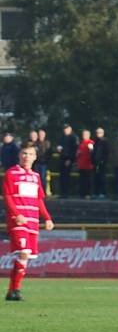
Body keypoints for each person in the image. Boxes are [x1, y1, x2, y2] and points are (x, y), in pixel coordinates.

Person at [3, 143, 54, 301]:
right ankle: (14, 290)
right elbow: (8, 196)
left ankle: (13, 291)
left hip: (32, 221)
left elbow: (39, 199)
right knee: (23, 252)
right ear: (19, 155)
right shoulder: (11, 173)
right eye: (24, 153)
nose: (26, 156)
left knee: (25, 258)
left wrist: (47, 218)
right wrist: (16, 214)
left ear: (35, 157)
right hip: (18, 221)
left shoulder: (36, 176)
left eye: (30, 154)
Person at [56, 124, 78, 198]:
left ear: (70, 129)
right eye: (64, 129)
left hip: (68, 159)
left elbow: (74, 149)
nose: (65, 130)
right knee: (62, 176)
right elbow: (59, 146)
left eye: (66, 129)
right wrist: (58, 149)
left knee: (66, 177)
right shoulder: (62, 137)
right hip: (62, 158)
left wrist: (70, 159)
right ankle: (62, 193)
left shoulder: (73, 138)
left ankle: (66, 193)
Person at [91, 127, 109, 198]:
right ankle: (96, 193)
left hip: (101, 163)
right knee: (96, 178)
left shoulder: (105, 141)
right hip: (95, 163)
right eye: (97, 132)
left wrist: (103, 161)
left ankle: (102, 193)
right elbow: (93, 153)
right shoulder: (95, 141)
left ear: (103, 133)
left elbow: (107, 153)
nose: (98, 134)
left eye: (100, 132)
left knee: (102, 178)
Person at [76, 129, 94, 199]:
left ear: (89, 135)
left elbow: (93, 153)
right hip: (81, 165)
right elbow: (78, 153)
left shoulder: (91, 143)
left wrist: (91, 150)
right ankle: (82, 194)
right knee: (81, 180)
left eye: (86, 134)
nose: (84, 136)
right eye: (83, 134)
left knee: (88, 181)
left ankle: (88, 194)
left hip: (88, 165)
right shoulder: (81, 143)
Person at [33, 129, 51, 194]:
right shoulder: (35, 143)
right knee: (36, 178)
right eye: (40, 134)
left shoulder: (47, 143)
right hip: (36, 163)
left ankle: (43, 192)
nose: (41, 136)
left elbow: (49, 153)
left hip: (44, 163)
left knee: (43, 178)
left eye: (42, 134)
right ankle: (36, 192)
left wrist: (46, 160)